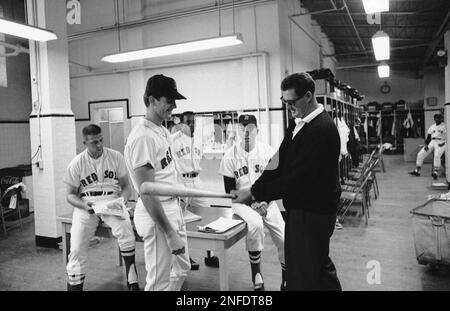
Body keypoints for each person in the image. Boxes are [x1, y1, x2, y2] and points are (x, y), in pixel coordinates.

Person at [232, 73, 342, 291]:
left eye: (292, 102)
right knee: (316, 267)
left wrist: (255, 195)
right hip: (302, 210)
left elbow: (296, 181)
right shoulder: (298, 124)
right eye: (285, 103)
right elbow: (277, 162)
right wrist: (254, 188)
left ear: (308, 96)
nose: (289, 108)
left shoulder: (322, 129)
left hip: (313, 213)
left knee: (305, 274)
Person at [124, 74, 190, 291]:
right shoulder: (143, 137)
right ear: (151, 100)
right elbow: (147, 192)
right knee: (158, 283)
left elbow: (167, 171)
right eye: (169, 100)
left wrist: (181, 193)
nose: (174, 105)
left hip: (172, 207)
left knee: (181, 269)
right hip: (156, 214)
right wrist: (170, 233)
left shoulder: (161, 130)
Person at [64, 124, 139, 291]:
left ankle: (132, 279)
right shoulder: (76, 163)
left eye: (100, 140)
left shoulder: (115, 156)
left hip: (111, 200)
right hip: (87, 204)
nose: (99, 145)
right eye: (93, 142)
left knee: (126, 231)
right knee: (76, 248)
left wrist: (122, 201)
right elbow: (70, 195)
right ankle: (75, 286)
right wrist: (83, 205)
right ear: (84, 142)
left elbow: (127, 186)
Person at [219, 114, 286, 291]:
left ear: (257, 130)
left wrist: (264, 202)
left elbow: (276, 183)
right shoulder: (229, 155)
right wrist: (251, 203)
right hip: (242, 203)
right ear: (238, 131)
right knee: (255, 225)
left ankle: (286, 278)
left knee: (285, 238)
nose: (246, 132)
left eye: (250, 128)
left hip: (266, 201)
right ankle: (257, 275)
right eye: (242, 128)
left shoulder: (269, 152)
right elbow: (229, 191)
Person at [171, 111, 220, 269]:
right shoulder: (174, 140)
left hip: (197, 180)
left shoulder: (198, 140)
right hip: (182, 181)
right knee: (180, 220)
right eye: (188, 122)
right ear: (181, 123)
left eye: (193, 122)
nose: (191, 124)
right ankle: (186, 257)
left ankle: (209, 255)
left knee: (207, 215)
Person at [409, 113, 446, 179]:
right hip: (432, 141)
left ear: (441, 119)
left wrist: (445, 143)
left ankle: (435, 172)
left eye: (439, 118)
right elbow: (428, 137)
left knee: (437, 155)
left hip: (441, 142)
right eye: (436, 118)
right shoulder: (432, 127)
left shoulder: (445, 126)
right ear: (434, 119)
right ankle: (417, 171)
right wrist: (426, 145)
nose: (437, 119)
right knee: (420, 154)